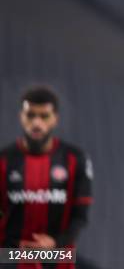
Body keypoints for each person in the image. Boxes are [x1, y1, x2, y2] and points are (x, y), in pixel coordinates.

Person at [0, 85, 93, 268]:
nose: (36, 123)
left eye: (44, 116)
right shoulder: (3, 160)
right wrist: (11, 246)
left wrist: (55, 244)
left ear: (55, 119)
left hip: (57, 257)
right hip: (11, 256)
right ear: (21, 117)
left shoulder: (75, 159)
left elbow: (80, 216)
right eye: (31, 115)